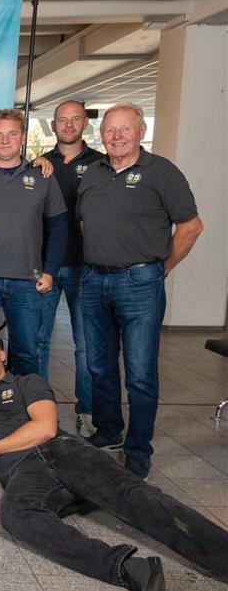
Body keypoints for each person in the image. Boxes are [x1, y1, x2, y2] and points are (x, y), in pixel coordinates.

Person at [0, 331, 228, 591]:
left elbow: (46, 428)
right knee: (15, 516)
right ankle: (128, 568)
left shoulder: (28, 382)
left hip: (62, 451)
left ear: (2, 355)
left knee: (136, 497)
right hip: (23, 471)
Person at [77, 103, 203, 477]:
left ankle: (138, 447)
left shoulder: (161, 172)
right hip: (94, 279)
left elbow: (191, 226)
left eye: (124, 129)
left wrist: (161, 268)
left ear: (141, 131)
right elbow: (86, 222)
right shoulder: (93, 173)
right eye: (110, 130)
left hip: (140, 282)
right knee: (99, 365)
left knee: (140, 372)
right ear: (101, 135)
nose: (116, 136)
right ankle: (108, 431)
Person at [0, 109, 67, 376]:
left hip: (28, 281)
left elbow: (59, 225)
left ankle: (27, 412)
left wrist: (50, 270)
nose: (5, 140)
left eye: (12, 134)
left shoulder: (42, 176)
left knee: (27, 351)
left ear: (23, 137)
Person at [36, 100, 105, 438]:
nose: (68, 125)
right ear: (53, 125)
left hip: (84, 267)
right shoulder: (40, 165)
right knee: (39, 342)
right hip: (45, 265)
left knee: (85, 345)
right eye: (62, 120)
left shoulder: (101, 165)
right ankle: (40, 410)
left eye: (75, 119)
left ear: (84, 124)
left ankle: (86, 411)